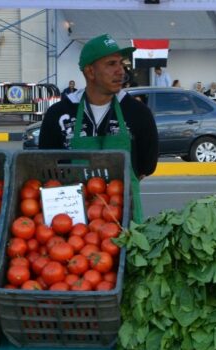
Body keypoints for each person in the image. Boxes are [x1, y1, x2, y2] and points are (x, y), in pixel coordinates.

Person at [39, 33, 158, 223]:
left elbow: (146, 166)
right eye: (111, 64)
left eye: (121, 63)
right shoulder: (58, 113)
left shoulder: (138, 112)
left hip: (124, 214)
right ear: (90, 72)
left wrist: (113, 195)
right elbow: (46, 165)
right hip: (71, 219)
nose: (121, 71)